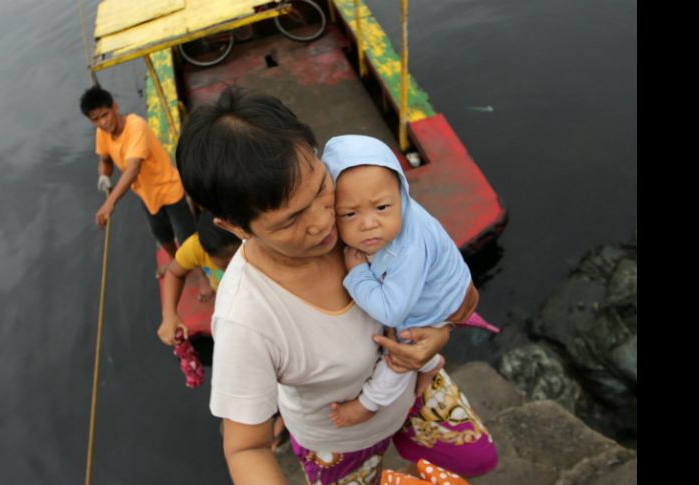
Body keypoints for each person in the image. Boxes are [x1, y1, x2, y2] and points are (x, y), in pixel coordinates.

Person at [176, 87, 497, 484]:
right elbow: (246, 447)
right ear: (235, 227)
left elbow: (449, 282)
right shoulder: (246, 319)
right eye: (290, 221)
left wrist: (439, 334)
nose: (325, 221)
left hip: (414, 386)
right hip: (340, 435)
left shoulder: (359, 200)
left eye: (319, 189)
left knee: (476, 460)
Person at [321, 135, 483, 428]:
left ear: (402, 194)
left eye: (382, 207)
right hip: (438, 289)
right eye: (349, 213)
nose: (368, 223)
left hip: (439, 303)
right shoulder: (393, 223)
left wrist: (357, 274)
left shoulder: (407, 247)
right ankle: (434, 364)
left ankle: (370, 402)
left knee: (397, 351)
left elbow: (391, 312)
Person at [80, 85, 195, 277]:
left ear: (115, 107)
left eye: (105, 115)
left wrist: (110, 203)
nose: (103, 122)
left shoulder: (136, 126)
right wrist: (104, 176)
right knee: (162, 235)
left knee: (186, 237)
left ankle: (200, 276)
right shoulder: (102, 133)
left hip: (168, 188)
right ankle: (176, 264)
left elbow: (133, 169)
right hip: (145, 193)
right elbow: (105, 160)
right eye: (96, 119)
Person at [157, 210, 241, 346]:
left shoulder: (259, 242)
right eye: (226, 263)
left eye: (238, 258)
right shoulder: (197, 247)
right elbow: (174, 273)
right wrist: (169, 314)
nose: (233, 266)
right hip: (224, 296)